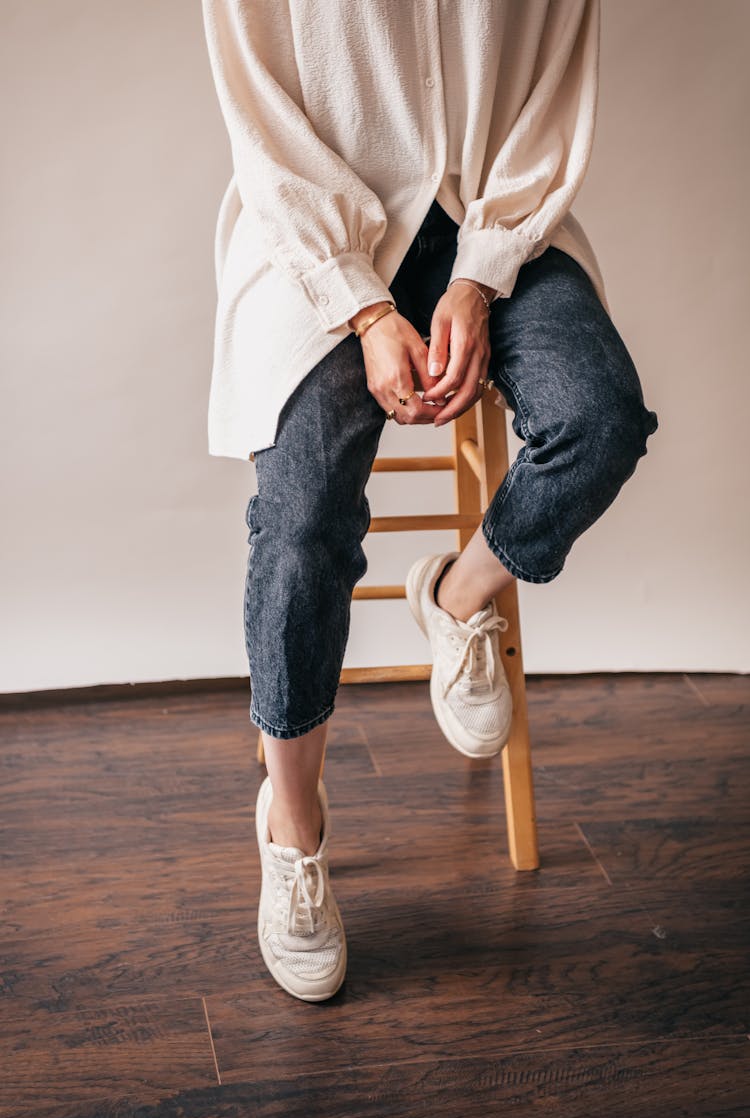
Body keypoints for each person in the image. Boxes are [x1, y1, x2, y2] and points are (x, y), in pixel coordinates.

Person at [201, 0, 659, 1003]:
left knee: (603, 417)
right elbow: (262, 117)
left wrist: (478, 278)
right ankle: (292, 823)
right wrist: (362, 303)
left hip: (492, 222)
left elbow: (545, 101)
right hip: (315, 235)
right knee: (301, 514)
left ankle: (457, 593)